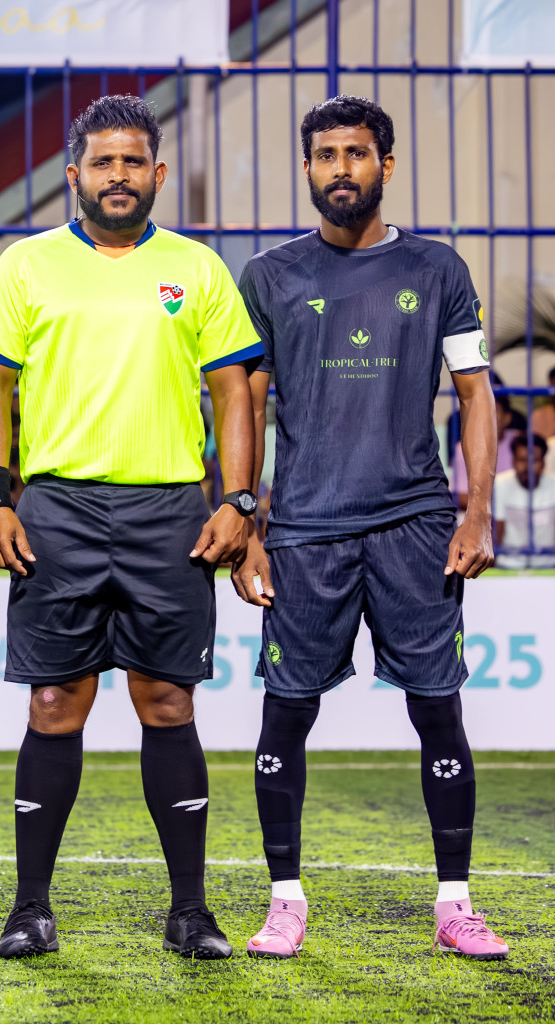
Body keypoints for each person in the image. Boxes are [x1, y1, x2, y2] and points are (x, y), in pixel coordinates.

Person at [0, 95, 260, 961]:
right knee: (56, 702)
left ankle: (190, 910)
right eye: (104, 163)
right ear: (74, 175)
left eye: (134, 163)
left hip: (170, 510)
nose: (119, 176)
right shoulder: (26, 265)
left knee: (166, 700)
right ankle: (30, 907)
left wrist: (239, 501)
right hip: (56, 508)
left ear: (158, 174)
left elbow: (234, 392)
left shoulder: (198, 268)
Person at [234, 95, 508, 961]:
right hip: (305, 530)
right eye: (325, 155)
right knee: (287, 714)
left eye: (357, 153)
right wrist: (247, 526)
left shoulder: (437, 269)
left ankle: (455, 903)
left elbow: (474, 395)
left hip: (415, 524)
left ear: (386, 166)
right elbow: (239, 401)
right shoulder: (270, 276)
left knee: (439, 712)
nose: (340, 168)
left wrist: (476, 510)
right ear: (307, 168)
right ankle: (285, 899)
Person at [494, 434, 553, 569]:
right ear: (513, 461)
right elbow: (497, 532)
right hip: (508, 566)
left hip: (548, 566)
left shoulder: (553, 486)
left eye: (534, 460)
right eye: (522, 460)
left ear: (543, 463)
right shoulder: (500, 484)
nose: (528, 466)